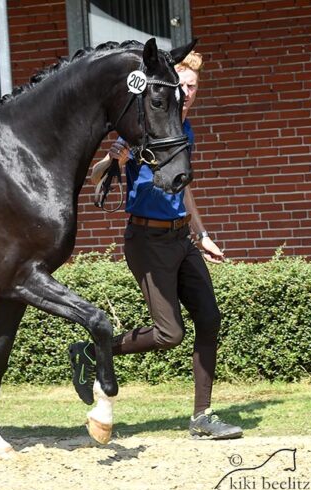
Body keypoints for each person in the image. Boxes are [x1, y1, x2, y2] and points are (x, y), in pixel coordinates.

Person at [70, 50, 242, 440]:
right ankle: (91, 351)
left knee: (210, 319)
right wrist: (116, 157)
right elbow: (96, 173)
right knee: (170, 334)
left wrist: (202, 233)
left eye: (195, 87)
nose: (190, 92)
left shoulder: (184, 132)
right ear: (169, 87)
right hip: (147, 239)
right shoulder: (140, 128)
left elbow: (187, 188)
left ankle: (201, 417)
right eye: (183, 85)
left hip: (181, 237)